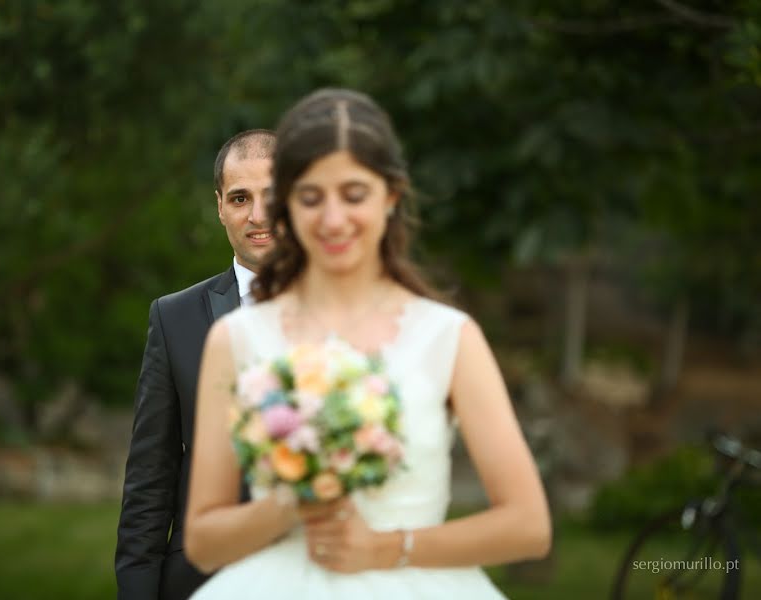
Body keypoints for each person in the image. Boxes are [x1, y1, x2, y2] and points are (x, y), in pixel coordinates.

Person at [184, 89, 552, 599]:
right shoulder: (237, 338)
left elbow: (528, 526)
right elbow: (203, 541)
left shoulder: (447, 336)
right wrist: (294, 501)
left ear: (391, 196)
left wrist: (387, 549)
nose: (333, 219)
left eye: (354, 194)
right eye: (311, 197)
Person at [115, 129, 276, 600]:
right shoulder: (174, 317)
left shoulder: (346, 312)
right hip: (204, 581)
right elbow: (151, 475)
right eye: (241, 198)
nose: (258, 215)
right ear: (220, 206)